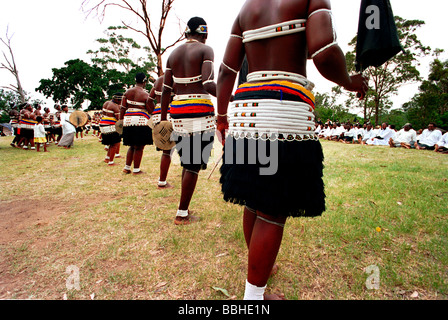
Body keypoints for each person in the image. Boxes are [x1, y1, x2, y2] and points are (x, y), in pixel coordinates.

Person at [217, 0, 368, 300]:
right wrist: (349, 81)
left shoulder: (247, 9)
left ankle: (260, 270)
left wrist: (222, 117)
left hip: (247, 113)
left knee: (254, 198)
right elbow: (324, 52)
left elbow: (226, 71)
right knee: (273, 210)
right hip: (284, 113)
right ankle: (254, 297)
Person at [161, 17, 217, 225]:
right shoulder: (206, 49)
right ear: (204, 34)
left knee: (188, 162)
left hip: (177, 111)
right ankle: (182, 213)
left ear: (186, 33)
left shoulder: (172, 54)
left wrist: (163, 120)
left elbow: (166, 90)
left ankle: (183, 209)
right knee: (193, 165)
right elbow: (208, 83)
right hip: (199, 111)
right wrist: (231, 96)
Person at [120, 72, 155, 175]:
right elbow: (150, 109)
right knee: (139, 146)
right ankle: (136, 169)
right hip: (140, 122)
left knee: (131, 145)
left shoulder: (127, 92)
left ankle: (127, 167)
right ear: (144, 82)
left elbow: (122, 108)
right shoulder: (145, 94)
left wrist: (120, 121)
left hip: (128, 121)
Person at [150, 75, 174, 189]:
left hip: (157, 115)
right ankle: (162, 181)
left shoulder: (158, 81)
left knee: (166, 150)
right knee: (169, 150)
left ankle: (162, 180)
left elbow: (149, 100)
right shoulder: (174, 78)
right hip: (171, 113)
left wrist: (154, 112)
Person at [100, 93, 123, 166]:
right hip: (110, 125)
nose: (121, 102)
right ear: (117, 99)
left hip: (102, 124)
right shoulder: (115, 106)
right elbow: (118, 118)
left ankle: (107, 158)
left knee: (111, 143)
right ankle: (111, 162)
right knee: (114, 144)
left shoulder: (106, 103)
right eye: (120, 100)